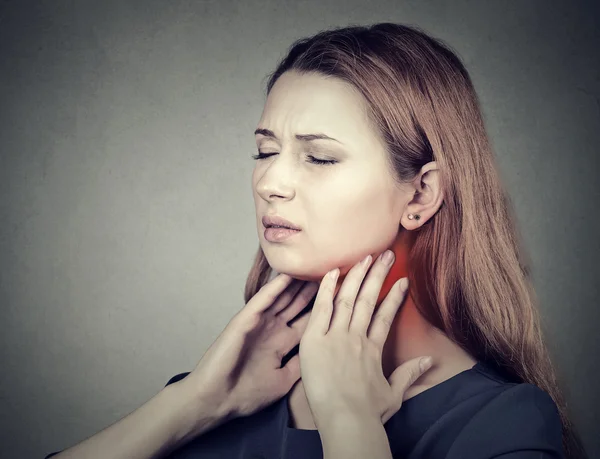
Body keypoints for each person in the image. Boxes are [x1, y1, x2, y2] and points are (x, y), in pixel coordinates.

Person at [45, 22, 588, 459]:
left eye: (319, 157)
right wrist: (192, 404)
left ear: (421, 193)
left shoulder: (500, 426)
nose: (269, 182)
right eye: (264, 151)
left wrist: (350, 426)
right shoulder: (229, 394)